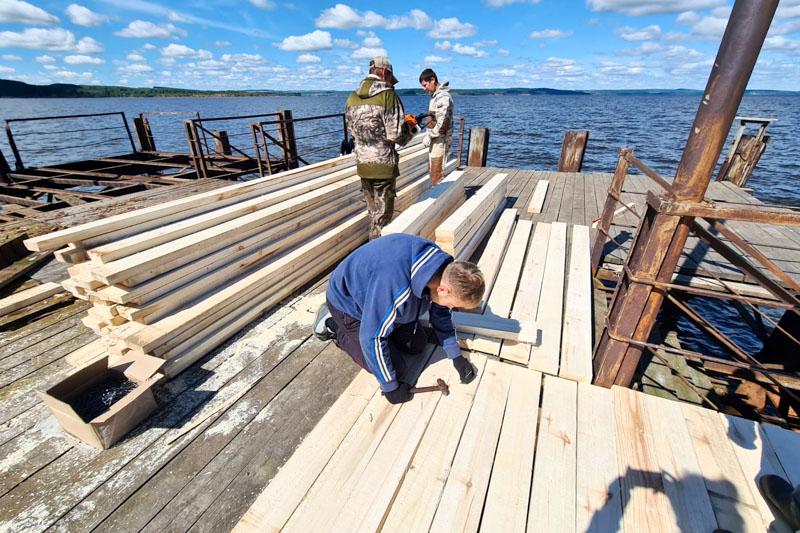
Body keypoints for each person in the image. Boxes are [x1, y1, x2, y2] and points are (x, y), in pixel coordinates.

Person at [313, 233, 485, 404]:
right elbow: (372, 337)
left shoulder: (441, 271)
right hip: (350, 305)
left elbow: (440, 313)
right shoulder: (395, 283)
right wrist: (390, 388)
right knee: (396, 370)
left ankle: (384, 320)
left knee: (417, 345)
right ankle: (333, 325)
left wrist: (456, 356)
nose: (451, 309)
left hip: (379, 295)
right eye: (453, 305)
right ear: (443, 290)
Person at [345, 56, 412, 240]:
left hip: (362, 163)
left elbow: (351, 131)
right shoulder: (388, 96)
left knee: (372, 212)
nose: (392, 82)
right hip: (383, 166)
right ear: (384, 73)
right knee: (383, 219)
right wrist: (410, 129)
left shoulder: (351, 97)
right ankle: (377, 254)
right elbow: (396, 135)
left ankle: (372, 248)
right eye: (391, 78)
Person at [419, 68, 454, 186]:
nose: (424, 89)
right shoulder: (436, 96)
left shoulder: (442, 97)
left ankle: (441, 200)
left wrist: (430, 135)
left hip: (440, 140)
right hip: (436, 139)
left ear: (432, 80)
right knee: (433, 171)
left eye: (425, 85)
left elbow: (443, 123)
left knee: (437, 174)